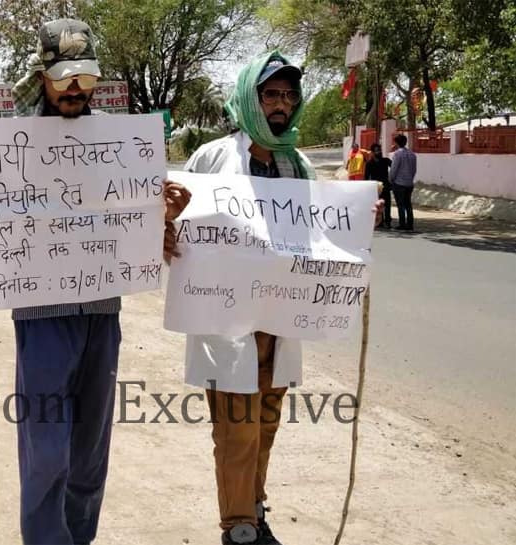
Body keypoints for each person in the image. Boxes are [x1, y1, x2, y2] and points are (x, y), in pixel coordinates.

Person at [0, 19, 190, 545]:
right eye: (65, 78)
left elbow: (137, 228)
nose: (75, 90)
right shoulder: (7, 141)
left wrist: (164, 220)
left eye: (86, 80)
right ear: (43, 76)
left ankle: (78, 536)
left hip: (102, 314)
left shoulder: (121, 143)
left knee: (90, 451)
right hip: (41, 319)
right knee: (46, 450)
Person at [184, 51, 383, 545]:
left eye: (290, 95)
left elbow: (320, 236)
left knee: (266, 425)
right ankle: (239, 526)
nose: (282, 103)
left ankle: (253, 506)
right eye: (271, 94)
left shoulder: (298, 165)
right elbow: (178, 232)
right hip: (228, 320)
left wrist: (359, 220)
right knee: (237, 427)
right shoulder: (211, 159)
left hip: (280, 315)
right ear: (251, 98)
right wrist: (167, 228)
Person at [390, 133, 417, 231]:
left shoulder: (397, 154)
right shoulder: (412, 154)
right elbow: (414, 169)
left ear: (396, 143)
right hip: (409, 183)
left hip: (399, 183)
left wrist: (391, 179)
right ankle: (410, 224)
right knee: (408, 204)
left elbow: (394, 169)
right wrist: (410, 178)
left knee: (400, 204)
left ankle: (402, 223)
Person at [365, 142, 392, 228]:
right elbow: (366, 177)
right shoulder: (369, 164)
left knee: (387, 204)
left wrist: (392, 180)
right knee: (378, 205)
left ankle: (388, 221)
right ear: (372, 152)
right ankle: (379, 222)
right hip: (375, 187)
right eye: (376, 151)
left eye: (379, 150)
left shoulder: (386, 161)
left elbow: (395, 168)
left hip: (386, 186)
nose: (379, 152)